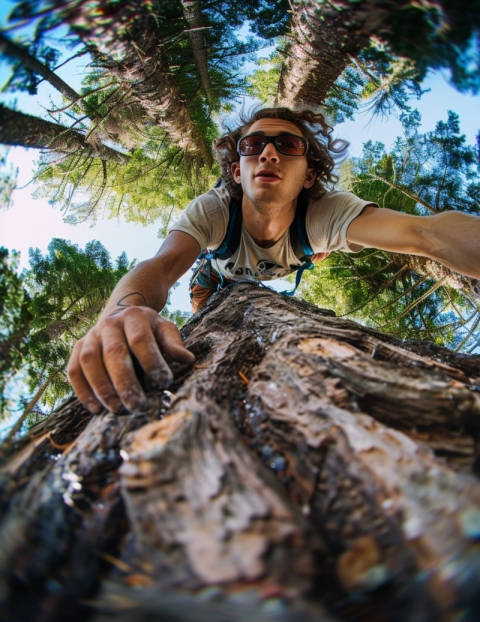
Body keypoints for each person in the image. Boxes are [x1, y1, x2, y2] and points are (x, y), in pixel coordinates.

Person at [67, 107, 480, 416]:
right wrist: (124, 313)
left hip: (288, 260)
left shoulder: (325, 212)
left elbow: (424, 234)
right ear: (236, 170)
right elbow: (162, 265)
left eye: (289, 145)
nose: (267, 153)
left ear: (309, 176)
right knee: (210, 318)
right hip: (211, 279)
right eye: (253, 146)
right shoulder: (213, 210)